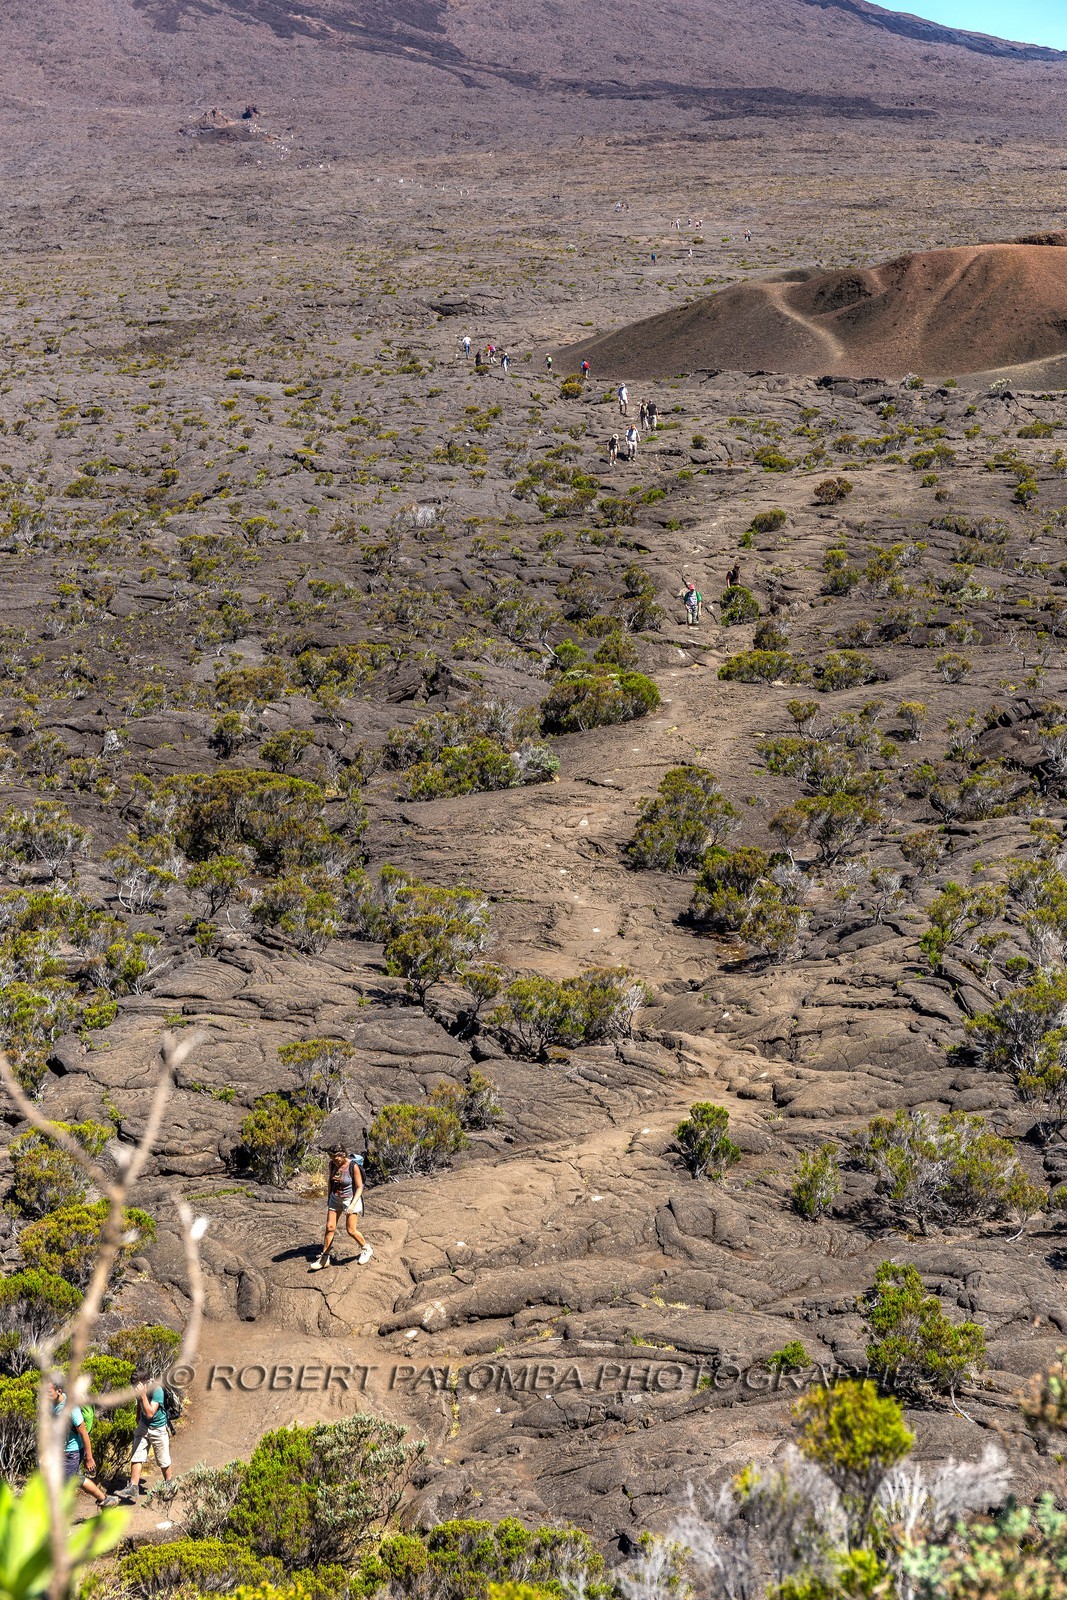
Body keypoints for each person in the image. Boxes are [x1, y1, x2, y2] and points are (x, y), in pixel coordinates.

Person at [49, 1377, 119, 1510]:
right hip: (62, 1452)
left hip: (72, 1453)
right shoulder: (52, 1405)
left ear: (58, 1391)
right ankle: (106, 1501)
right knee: (77, 1479)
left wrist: (89, 1457)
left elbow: (84, 1433)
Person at [311, 1146, 372, 1270]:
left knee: (351, 1230)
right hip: (335, 1198)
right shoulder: (332, 1164)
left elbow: (360, 1187)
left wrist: (352, 1205)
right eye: (332, 1157)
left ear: (343, 1154)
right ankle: (325, 1257)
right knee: (330, 1227)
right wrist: (329, 1198)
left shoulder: (353, 1166)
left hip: (350, 1199)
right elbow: (330, 1181)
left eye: (337, 1157)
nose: (334, 1160)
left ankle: (366, 1249)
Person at [123, 1371, 174, 1499]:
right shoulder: (138, 1389)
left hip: (158, 1427)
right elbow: (139, 1404)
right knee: (137, 1453)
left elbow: (151, 1413)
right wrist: (138, 1417)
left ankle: (170, 1484)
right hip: (144, 1425)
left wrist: (144, 1395)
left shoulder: (157, 1390)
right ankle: (133, 1486)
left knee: (162, 1459)